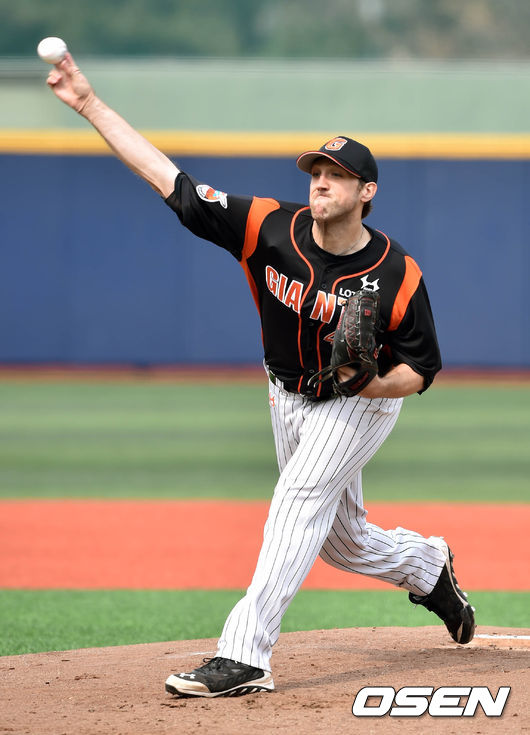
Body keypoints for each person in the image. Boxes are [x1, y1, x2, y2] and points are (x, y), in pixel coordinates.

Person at [46, 53, 475, 699]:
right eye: (316, 172)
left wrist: (373, 385)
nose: (321, 182)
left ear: (367, 192)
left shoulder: (396, 273)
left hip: (359, 401)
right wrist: (87, 104)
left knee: (296, 503)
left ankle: (244, 656)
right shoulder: (269, 227)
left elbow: (421, 367)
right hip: (285, 391)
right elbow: (171, 182)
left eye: (337, 175)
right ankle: (427, 565)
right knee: (343, 542)